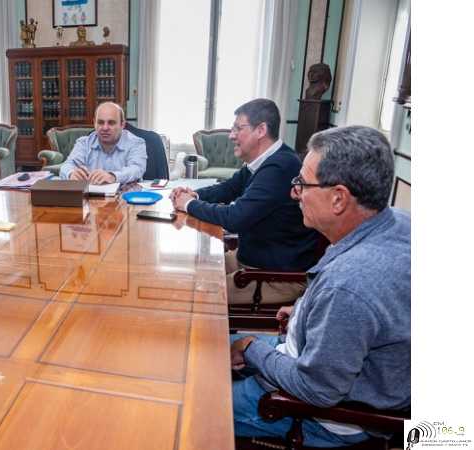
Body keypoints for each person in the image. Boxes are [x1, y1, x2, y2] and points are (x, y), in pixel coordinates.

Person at [230, 126, 410, 447]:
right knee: (209, 343)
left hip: (327, 415)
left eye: (302, 184)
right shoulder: (396, 221)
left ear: (339, 198)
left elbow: (317, 390)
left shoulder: (349, 284)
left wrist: (251, 349)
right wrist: (304, 311)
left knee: (194, 399)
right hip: (313, 355)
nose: (294, 193)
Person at [170, 98, 318, 305]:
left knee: (194, 294)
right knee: (188, 273)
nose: (231, 135)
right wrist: (194, 195)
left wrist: (188, 205)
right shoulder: (265, 161)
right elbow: (229, 188)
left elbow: (235, 218)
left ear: (261, 130)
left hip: (277, 276)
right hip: (252, 257)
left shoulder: (279, 167)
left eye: (238, 128)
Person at [59, 102, 147, 185]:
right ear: (94, 123)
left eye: (111, 123)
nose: (105, 128)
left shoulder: (136, 143)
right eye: (100, 122)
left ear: (122, 125)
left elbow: (137, 169)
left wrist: (113, 176)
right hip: (91, 198)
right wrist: (71, 174)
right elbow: (66, 166)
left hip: (125, 196)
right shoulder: (84, 143)